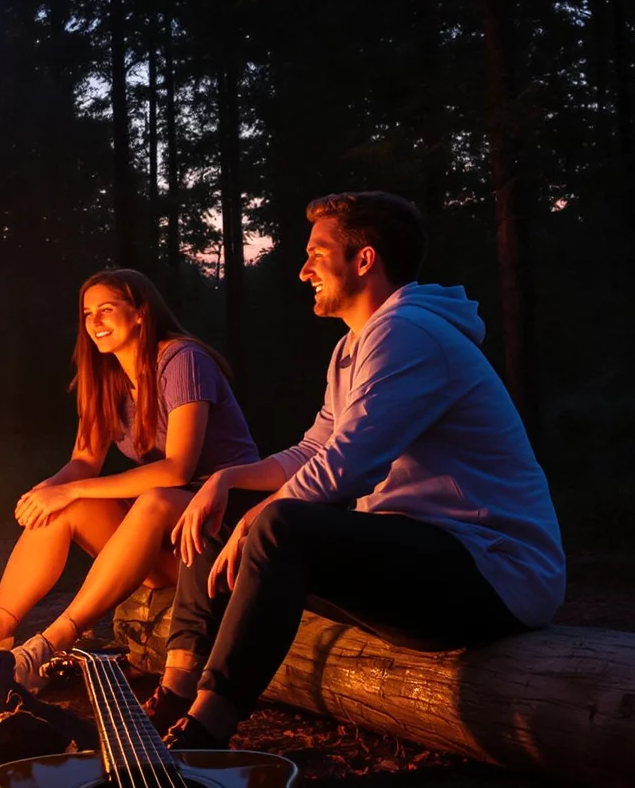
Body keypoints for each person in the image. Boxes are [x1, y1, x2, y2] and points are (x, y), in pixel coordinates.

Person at [160, 191, 564, 745]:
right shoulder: (355, 346)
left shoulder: (410, 334)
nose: (303, 271)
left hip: (492, 571)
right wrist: (224, 481)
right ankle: (176, 687)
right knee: (215, 509)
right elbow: (316, 450)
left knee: (280, 525)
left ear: (364, 259)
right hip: (418, 558)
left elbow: (347, 467)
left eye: (316, 254)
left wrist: (260, 519)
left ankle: (205, 730)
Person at [0, 268, 260, 692]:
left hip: (221, 530)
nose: (94, 322)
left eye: (107, 310)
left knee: (145, 499)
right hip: (163, 540)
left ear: (140, 314)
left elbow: (178, 470)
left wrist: (71, 488)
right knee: (63, 507)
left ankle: (45, 647)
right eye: (87, 313)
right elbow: (83, 461)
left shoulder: (183, 360)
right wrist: (50, 489)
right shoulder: (105, 376)